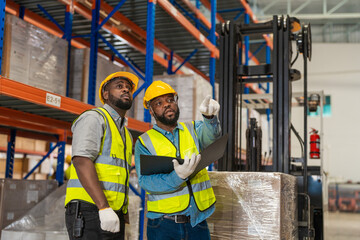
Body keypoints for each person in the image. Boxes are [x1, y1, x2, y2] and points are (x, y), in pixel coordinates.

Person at [134, 81, 221, 240]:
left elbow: (212, 139)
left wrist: (209, 118)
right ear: (151, 111)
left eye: (170, 100)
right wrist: (177, 177)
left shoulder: (194, 129)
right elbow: (146, 181)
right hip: (163, 225)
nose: (167, 105)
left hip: (197, 221)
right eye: (159, 103)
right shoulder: (144, 142)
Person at [64, 71, 138, 240]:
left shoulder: (125, 133)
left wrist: (122, 211)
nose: (126, 90)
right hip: (90, 210)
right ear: (105, 94)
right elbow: (81, 160)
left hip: (112, 211)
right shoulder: (94, 118)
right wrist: (103, 207)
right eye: (119, 86)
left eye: (128, 88)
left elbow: (119, 174)